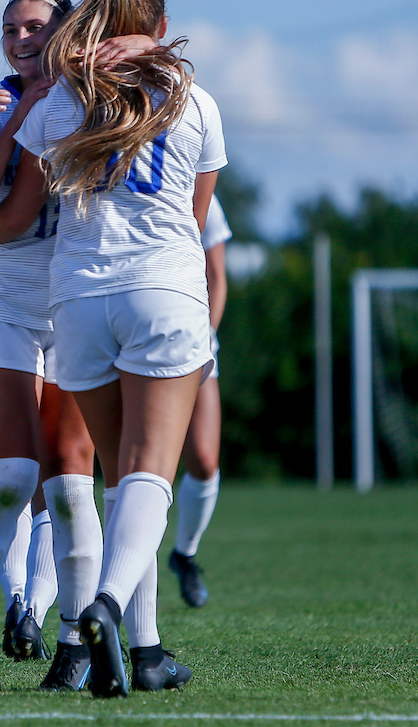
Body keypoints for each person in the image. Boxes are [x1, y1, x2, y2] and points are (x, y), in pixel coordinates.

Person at [0, 0, 226, 698]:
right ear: (155, 27)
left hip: (78, 300)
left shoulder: (57, 108)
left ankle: (145, 652)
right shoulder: (196, 103)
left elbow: (20, 205)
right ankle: (108, 606)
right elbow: (193, 218)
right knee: (150, 473)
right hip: (161, 291)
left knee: (120, 478)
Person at [0, 0, 99, 691]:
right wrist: (23, 122)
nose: (20, 39)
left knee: (71, 484)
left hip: (77, 299)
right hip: (3, 300)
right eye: (9, 28)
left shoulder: (98, 99)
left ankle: (75, 642)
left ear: (67, 31)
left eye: (34, 25)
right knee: (12, 474)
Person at [168, 193, 230, 607]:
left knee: (204, 461)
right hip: (126, 328)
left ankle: (184, 554)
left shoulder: (201, 189)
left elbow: (217, 277)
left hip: (191, 339)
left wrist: (204, 334)